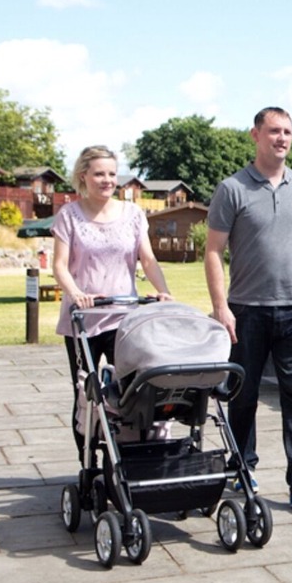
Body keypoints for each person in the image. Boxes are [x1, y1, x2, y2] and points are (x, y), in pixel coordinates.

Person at [205, 106, 292, 509]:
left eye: (288, 132)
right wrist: (221, 307)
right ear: (255, 135)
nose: (282, 138)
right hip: (247, 310)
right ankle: (242, 469)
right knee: (243, 395)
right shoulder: (232, 189)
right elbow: (213, 251)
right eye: (274, 131)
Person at [52, 145, 173, 455]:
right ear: (84, 176)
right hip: (84, 318)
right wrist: (76, 294)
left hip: (123, 317)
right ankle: (88, 460)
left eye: (111, 174)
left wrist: (163, 291)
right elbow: (59, 266)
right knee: (87, 391)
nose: (107, 180)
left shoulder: (132, 214)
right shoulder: (69, 216)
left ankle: (129, 455)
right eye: (99, 174)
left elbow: (148, 259)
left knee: (131, 389)